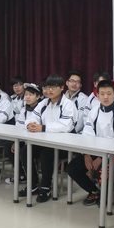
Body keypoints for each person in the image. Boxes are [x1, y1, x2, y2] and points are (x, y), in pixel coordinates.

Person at [66, 80, 114, 205]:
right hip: (95, 152)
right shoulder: (94, 112)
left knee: (103, 169)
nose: (105, 97)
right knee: (72, 168)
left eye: (109, 94)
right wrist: (86, 155)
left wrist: (101, 159)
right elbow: (87, 135)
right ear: (97, 95)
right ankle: (94, 191)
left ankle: (107, 195)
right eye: (102, 94)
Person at [23, 74, 76, 202]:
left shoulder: (68, 104)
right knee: (25, 150)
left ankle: (46, 187)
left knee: (46, 154)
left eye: (53, 87)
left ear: (62, 88)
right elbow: (33, 116)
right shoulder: (43, 103)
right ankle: (33, 184)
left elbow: (66, 126)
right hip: (46, 141)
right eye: (46, 87)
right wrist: (30, 124)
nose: (49, 90)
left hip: (64, 144)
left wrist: (43, 128)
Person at [6, 82, 43, 185]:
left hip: (37, 140)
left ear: (38, 97)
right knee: (9, 146)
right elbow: (19, 125)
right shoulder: (24, 109)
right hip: (24, 138)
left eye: (31, 95)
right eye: (26, 95)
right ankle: (21, 174)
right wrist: (16, 141)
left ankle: (33, 179)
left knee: (24, 151)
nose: (27, 97)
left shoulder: (41, 108)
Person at [64, 69, 88, 133]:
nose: (74, 84)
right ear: (67, 83)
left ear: (80, 85)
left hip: (76, 133)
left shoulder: (83, 99)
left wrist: (71, 132)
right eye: (72, 81)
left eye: (77, 82)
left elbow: (80, 120)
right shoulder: (62, 98)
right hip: (62, 131)